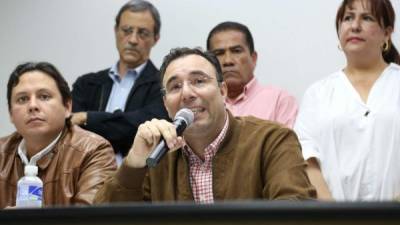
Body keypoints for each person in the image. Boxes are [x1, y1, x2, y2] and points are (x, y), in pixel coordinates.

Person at [94, 47, 316, 203]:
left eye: (199, 81)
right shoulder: (157, 156)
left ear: (222, 92)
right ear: (165, 104)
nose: (187, 94)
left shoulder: (272, 139)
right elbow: (107, 219)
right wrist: (133, 165)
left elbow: (294, 210)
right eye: (175, 87)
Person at [294, 0, 400, 201]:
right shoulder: (318, 93)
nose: (354, 26)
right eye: (348, 18)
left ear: (386, 34)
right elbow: (306, 159)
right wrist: (334, 213)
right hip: (334, 217)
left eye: (367, 18)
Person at [0, 62, 117, 208]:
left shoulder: (94, 151)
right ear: (11, 113)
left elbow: (89, 220)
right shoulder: (2, 153)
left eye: (44, 96)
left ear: (67, 107)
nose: (32, 106)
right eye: (22, 99)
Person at [71, 0, 168, 162]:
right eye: (127, 30)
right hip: (84, 177)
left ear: (155, 38)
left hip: (140, 181)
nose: (133, 40)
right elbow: (71, 132)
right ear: (116, 31)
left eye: (143, 33)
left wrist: (87, 118)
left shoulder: (164, 86)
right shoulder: (87, 84)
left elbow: (142, 128)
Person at [206, 22, 298, 127]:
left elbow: (287, 143)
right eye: (219, 53)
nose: (228, 61)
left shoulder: (280, 101)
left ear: (253, 58)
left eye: (236, 51)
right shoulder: (200, 104)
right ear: (208, 62)